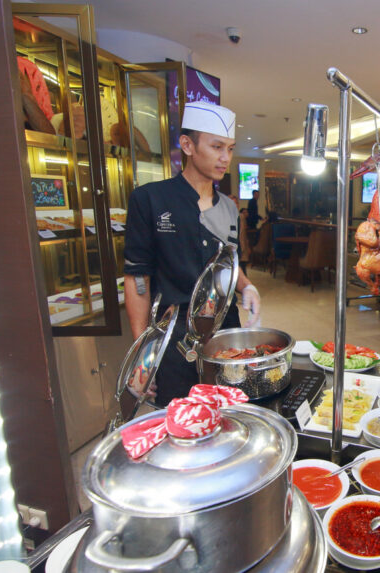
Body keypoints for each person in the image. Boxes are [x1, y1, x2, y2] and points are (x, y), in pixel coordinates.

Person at [124, 101, 261, 406]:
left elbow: (228, 261)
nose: (225, 158)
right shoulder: (150, 199)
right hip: (175, 339)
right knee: (181, 420)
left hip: (227, 333)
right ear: (187, 145)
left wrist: (246, 285)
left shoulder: (227, 206)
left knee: (232, 411)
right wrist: (142, 355)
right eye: (216, 147)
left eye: (230, 148)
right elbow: (137, 278)